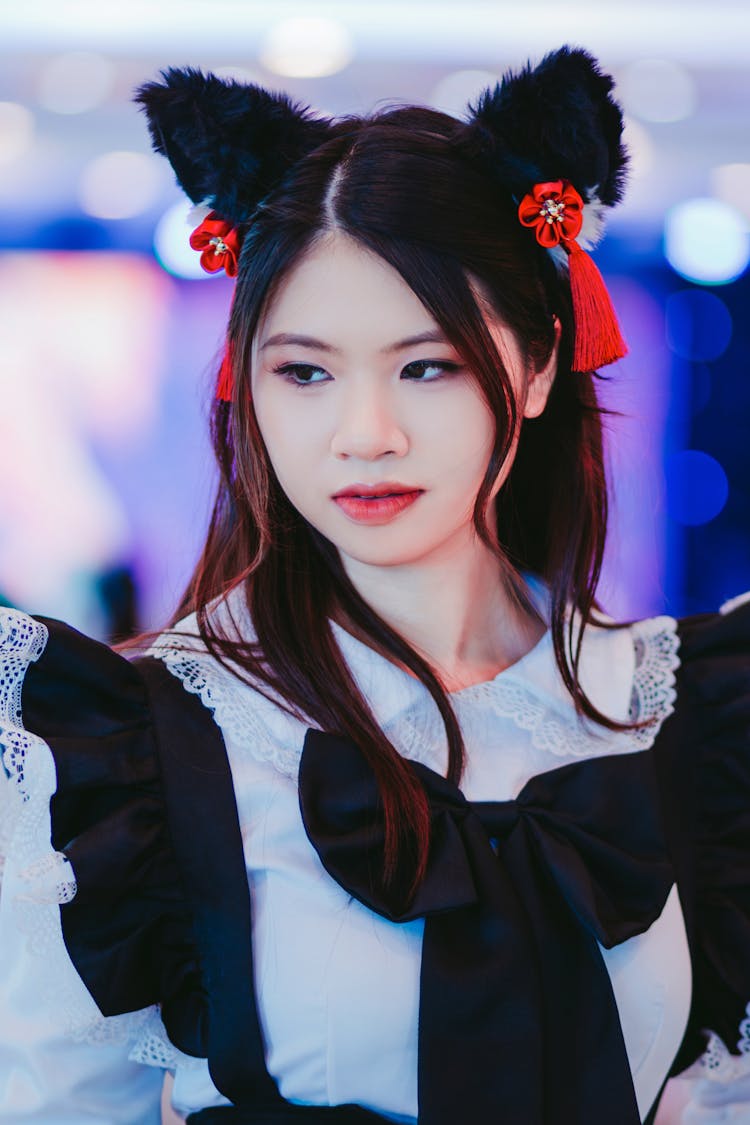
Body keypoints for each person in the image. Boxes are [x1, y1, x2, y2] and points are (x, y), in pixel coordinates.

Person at [0, 45, 748, 1125]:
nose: (365, 436)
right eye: (304, 372)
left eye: (428, 364)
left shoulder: (683, 711)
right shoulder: (133, 749)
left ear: (536, 367)